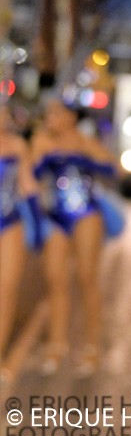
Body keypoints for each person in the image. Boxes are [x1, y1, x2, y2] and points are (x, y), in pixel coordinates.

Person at [31, 98, 119, 377]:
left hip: (86, 214)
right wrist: (41, 152)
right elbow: (32, 175)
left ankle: (91, 347)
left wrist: (93, 157)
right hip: (56, 215)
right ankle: (57, 345)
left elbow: (115, 168)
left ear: (70, 117)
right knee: (55, 279)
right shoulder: (42, 141)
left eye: (55, 113)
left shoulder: (85, 142)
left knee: (86, 277)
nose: (49, 118)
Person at [0, 104, 43, 380]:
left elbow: (28, 186)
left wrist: (37, 226)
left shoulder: (17, 145)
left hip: (9, 223)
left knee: (7, 290)